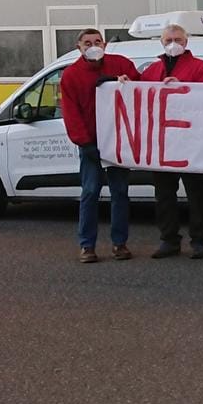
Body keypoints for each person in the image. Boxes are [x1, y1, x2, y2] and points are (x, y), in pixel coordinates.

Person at [139, 23, 203, 258]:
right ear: (161, 43)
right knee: (164, 194)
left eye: (178, 40)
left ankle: (199, 240)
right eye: (168, 40)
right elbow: (140, 99)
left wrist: (182, 88)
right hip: (162, 143)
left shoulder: (202, 68)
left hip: (192, 142)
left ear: (186, 42)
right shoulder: (152, 71)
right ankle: (169, 240)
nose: (173, 44)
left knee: (196, 193)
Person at [59, 28, 139, 263]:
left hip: (118, 142)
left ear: (104, 44)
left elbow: (141, 89)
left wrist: (128, 82)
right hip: (90, 143)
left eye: (97, 42)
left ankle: (120, 243)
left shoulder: (121, 64)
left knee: (120, 193)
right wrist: (85, 142)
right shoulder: (71, 76)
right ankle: (87, 246)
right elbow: (71, 113)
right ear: (79, 47)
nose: (92, 46)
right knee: (90, 192)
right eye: (87, 43)